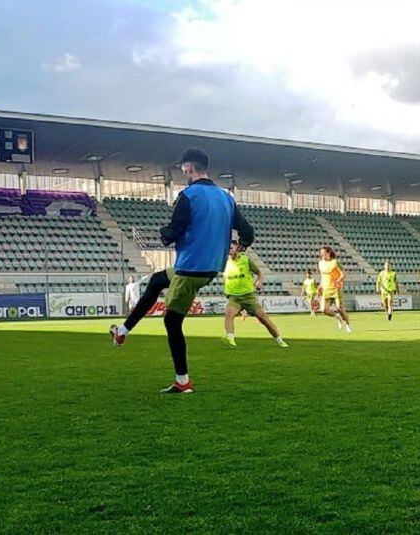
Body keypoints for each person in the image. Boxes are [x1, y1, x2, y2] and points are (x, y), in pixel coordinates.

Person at [109, 148, 254, 394]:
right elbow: (247, 230)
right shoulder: (226, 197)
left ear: (189, 168)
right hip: (207, 267)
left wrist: (164, 234)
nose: (184, 174)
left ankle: (183, 381)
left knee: (172, 321)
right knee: (156, 282)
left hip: (190, 268)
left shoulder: (188, 195)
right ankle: (122, 331)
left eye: (184, 170)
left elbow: (174, 230)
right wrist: (243, 243)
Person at [222, 240, 288, 348]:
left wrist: (259, 282)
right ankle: (230, 339)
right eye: (228, 249)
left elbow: (259, 273)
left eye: (231, 248)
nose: (229, 251)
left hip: (248, 296)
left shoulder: (246, 260)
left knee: (263, 318)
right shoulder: (224, 263)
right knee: (228, 315)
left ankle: (279, 339)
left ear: (237, 249)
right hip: (234, 297)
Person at [318, 246, 352, 333]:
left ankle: (348, 324)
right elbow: (322, 276)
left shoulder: (335, 262)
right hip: (326, 289)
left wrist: (338, 280)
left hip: (336, 289)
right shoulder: (320, 263)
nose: (322, 255)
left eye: (324, 253)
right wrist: (320, 286)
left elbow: (343, 274)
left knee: (340, 308)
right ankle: (337, 317)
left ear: (329, 253)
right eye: (321, 254)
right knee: (323, 310)